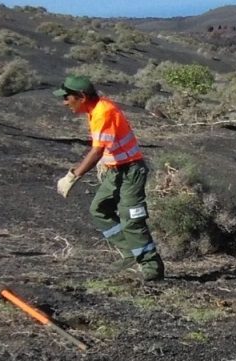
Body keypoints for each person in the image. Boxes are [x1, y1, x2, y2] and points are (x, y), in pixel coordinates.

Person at [54, 75, 164, 282]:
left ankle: (151, 268)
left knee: (132, 218)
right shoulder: (94, 110)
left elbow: (97, 152)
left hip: (131, 171)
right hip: (116, 170)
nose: (64, 102)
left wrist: (73, 176)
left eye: (67, 97)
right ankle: (130, 252)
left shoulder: (104, 112)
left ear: (82, 96)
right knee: (100, 209)